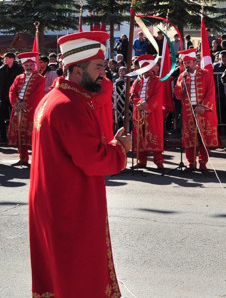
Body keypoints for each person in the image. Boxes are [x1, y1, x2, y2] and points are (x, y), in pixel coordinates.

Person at [29, 31, 132, 297]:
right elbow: (93, 160)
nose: (104, 74)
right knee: (79, 278)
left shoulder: (52, 99)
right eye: (98, 68)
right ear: (77, 71)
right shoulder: (71, 106)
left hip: (54, 203)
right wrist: (120, 149)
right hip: (70, 206)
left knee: (59, 276)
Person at [173, 48, 220, 172]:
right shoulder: (182, 76)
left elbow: (211, 91)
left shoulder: (206, 74)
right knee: (189, 138)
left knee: (203, 137)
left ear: (195, 62)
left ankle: (203, 162)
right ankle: (191, 163)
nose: (186, 65)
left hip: (203, 111)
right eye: (185, 63)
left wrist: (203, 106)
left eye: (188, 63)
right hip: (188, 111)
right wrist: (181, 84)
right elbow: (177, 95)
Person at [7, 52, 44, 166]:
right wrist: (17, 103)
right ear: (23, 66)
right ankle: (23, 159)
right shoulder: (18, 78)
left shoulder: (40, 78)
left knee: (33, 136)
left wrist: (25, 105)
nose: (29, 68)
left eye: (31, 65)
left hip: (31, 111)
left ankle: (38, 161)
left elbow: (37, 95)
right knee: (19, 135)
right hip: (18, 110)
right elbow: (12, 91)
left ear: (34, 65)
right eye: (26, 65)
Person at [129, 54, 165, 169]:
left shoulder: (158, 81)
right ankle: (141, 161)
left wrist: (147, 106)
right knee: (140, 135)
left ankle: (158, 161)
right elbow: (132, 95)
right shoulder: (137, 82)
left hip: (152, 113)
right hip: (139, 112)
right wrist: (139, 103)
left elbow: (157, 97)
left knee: (154, 134)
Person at [0, 52, 24, 144]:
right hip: (3, 96)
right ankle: (3, 137)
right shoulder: (2, 69)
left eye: (6, 58)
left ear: (12, 59)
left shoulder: (19, 69)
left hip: (16, 96)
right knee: (1, 117)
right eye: (4, 58)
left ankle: (16, 137)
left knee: (15, 117)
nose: (4, 60)